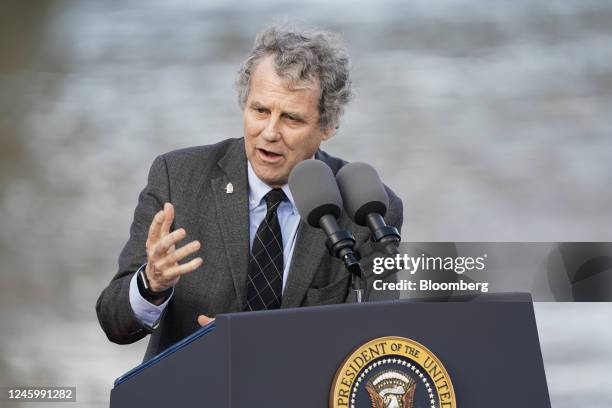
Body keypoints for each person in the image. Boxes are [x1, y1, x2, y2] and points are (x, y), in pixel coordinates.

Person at [96, 25, 403, 361]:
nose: (270, 132)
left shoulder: (366, 207)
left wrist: (260, 342)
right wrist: (151, 284)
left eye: (291, 119)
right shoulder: (177, 178)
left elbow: (379, 337)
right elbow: (114, 322)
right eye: (260, 111)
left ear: (327, 125)